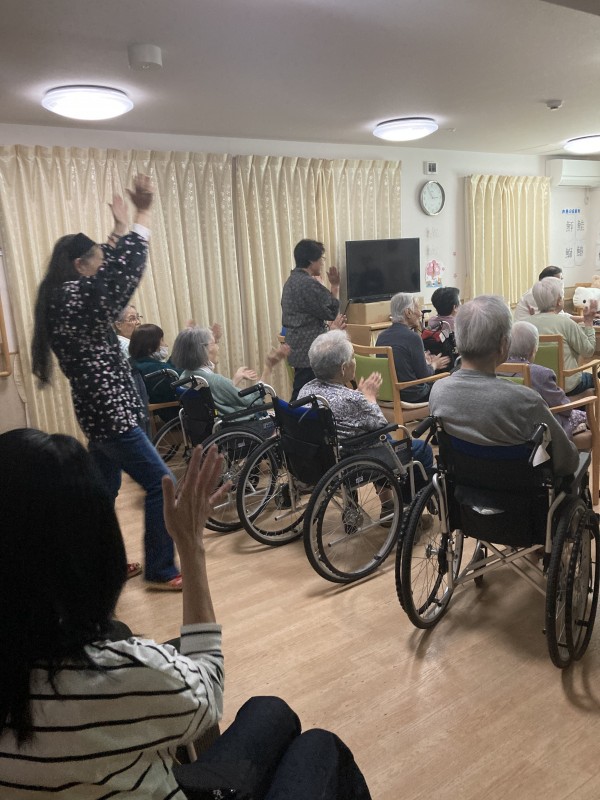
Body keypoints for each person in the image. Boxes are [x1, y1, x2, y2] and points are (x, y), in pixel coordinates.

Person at [0, 428, 372, 800]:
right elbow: (207, 692)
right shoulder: (115, 676)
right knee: (321, 747)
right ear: (97, 551)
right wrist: (191, 546)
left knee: (270, 711)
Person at [31, 175, 181, 590]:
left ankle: (102, 563)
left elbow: (106, 270)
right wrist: (142, 213)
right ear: (80, 266)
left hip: (99, 412)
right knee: (163, 483)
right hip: (111, 414)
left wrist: (117, 228)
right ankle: (161, 568)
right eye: (95, 261)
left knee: (102, 490)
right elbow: (117, 278)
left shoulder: (64, 294)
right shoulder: (74, 296)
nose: (101, 266)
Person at [429, 295, 579, 478]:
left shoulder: (438, 390)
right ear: (503, 345)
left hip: (464, 486)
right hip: (521, 490)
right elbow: (566, 461)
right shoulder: (526, 400)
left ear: (458, 344)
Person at [302, 329, 434, 479]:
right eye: (352, 357)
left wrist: (359, 396)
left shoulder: (306, 390)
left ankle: (388, 492)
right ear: (343, 368)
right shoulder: (352, 399)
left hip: (324, 460)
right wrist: (370, 399)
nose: (355, 361)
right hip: (356, 460)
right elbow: (382, 425)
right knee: (422, 449)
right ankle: (411, 492)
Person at [171, 325, 289, 419]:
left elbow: (219, 396)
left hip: (203, 430)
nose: (218, 347)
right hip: (237, 426)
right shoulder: (214, 381)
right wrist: (268, 367)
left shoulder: (185, 376)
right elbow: (251, 400)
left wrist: (235, 379)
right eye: (215, 343)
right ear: (204, 349)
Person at [281, 238, 346, 400]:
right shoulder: (308, 283)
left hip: (296, 346)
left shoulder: (291, 281)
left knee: (303, 391)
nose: (322, 263)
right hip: (309, 349)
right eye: (321, 258)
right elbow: (331, 311)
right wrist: (335, 286)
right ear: (311, 260)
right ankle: (289, 416)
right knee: (303, 395)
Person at [505, 321, 588, 442]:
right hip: (540, 430)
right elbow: (564, 407)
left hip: (508, 428)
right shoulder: (541, 374)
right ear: (533, 349)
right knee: (586, 416)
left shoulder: (496, 369)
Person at [376, 293, 450, 402]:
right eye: (417, 308)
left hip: (390, 397)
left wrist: (422, 359)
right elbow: (425, 375)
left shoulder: (381, 336)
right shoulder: (413, 338)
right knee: (448, 388)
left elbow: (400, 364)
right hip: (413, 397)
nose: (420, 313)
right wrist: (434, 364)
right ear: (408, 313)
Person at [529, 276, 597, 395]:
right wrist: (589, 323)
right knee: (594, 379)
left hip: (534, 386)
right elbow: (588, 351)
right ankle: (577, 404)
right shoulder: (566, 323)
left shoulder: (524, 324)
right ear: (559, 301)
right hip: (565, 386)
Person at [130, 323, 181, 422]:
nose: (165, 344)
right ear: (149, 347)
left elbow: (168, 368)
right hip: (170, 415)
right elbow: (178, 376)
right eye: (161, 340)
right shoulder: (152, 368)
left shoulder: (133, 363)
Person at [513, 265, 582, 322]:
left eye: (562, 279)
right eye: (559, 280)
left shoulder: (552, 293)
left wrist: (583, 318)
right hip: (525, 330)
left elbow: (561, 315)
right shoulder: (534, 294)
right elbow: (549, 318)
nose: (561, 283)